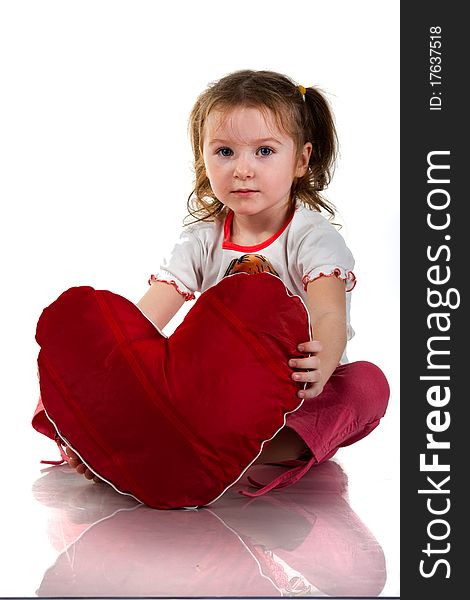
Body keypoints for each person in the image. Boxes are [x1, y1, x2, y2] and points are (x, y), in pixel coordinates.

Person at [66, 69, 390, 494]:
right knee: (86, 358)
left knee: (367, 386)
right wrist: (108, 375)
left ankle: (239, 452)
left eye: (264, 151)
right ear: (203, 159)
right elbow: (146, 316)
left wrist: (325, 359)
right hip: (213, 394)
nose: (242, 170)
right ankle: (115, 441)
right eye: (224, 152)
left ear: (301, 160)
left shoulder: (312, 236)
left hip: (291, 393)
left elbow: (329, 309)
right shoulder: (202, 239)